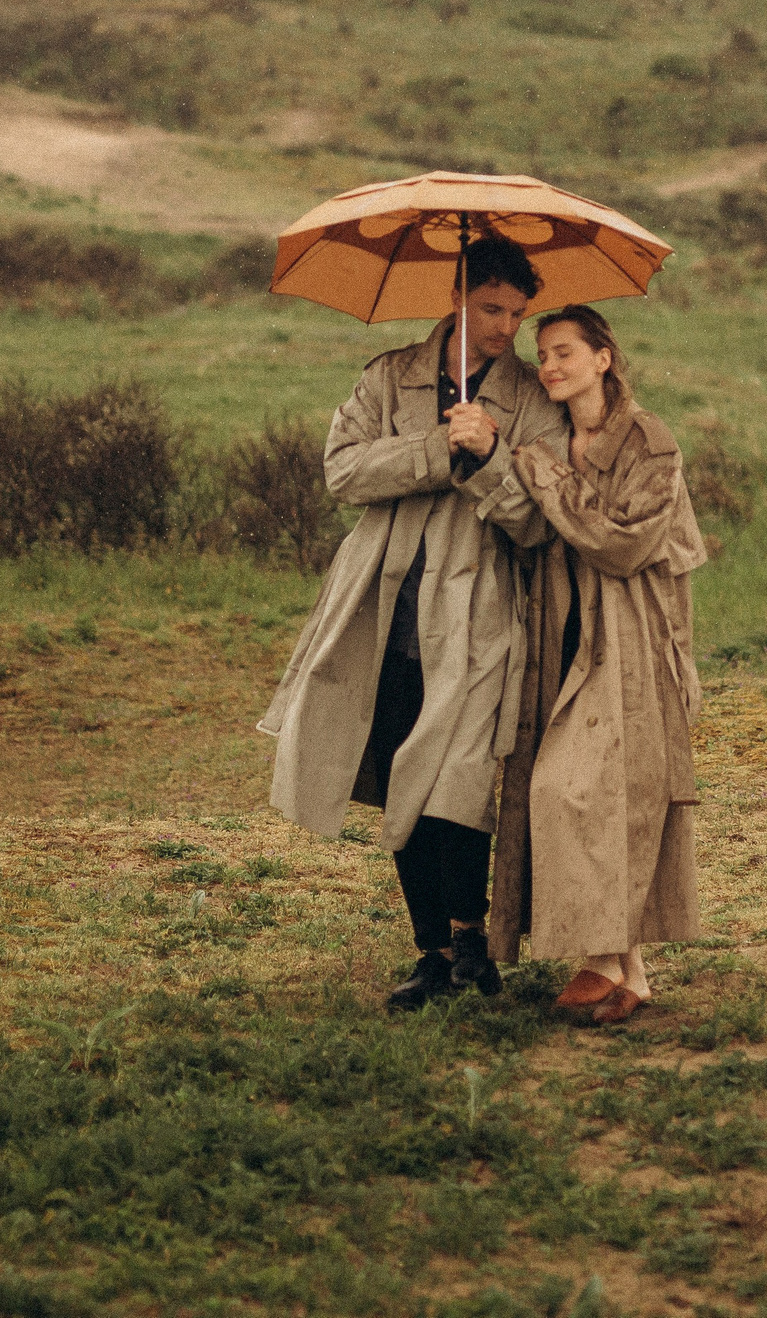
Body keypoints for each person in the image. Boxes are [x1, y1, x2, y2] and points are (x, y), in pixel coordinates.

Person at [257, 235, 566, 1010]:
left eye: (518, 313)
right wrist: (437, 447)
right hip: (379, 606)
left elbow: (538, 522)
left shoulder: (532, 399)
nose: (505, 326)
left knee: (456, 777)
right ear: (456, 296)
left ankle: (474, 944)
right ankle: (430, 951)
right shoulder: (389, 376)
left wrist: (491, 455)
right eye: (491, 308)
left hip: (479, 611)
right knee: (399, 768)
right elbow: (343, 472)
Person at [485, 305, 708, 1026]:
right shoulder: (551, 435)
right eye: (542, 354)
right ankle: (630, 975)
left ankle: (598, 959)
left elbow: (620, 543)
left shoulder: (650, 441)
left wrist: (544, 476)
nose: (549, 366)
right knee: (605, 793)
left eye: (564, 352)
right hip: (565, 627)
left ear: (602, 359)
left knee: (573, 789)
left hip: (635, 634)